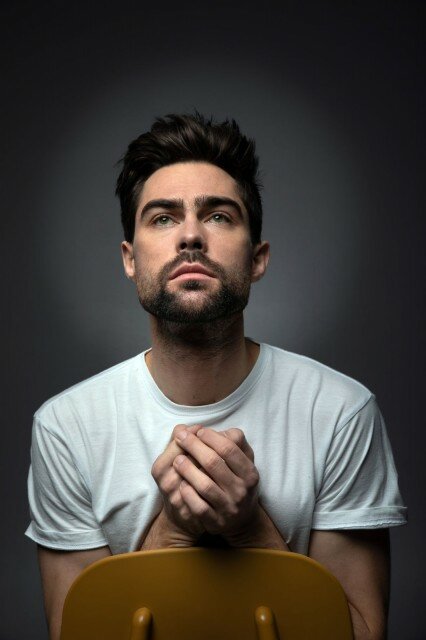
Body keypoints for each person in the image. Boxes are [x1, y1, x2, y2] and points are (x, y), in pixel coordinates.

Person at [26, 112, 407, 640]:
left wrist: (250, 528)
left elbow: (363, 633)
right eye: (163, 218)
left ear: (257, 259)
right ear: (130, 260)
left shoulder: (341, 412)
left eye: (220, 216)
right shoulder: (66, 427)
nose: (190, 236)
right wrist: (172, 530)